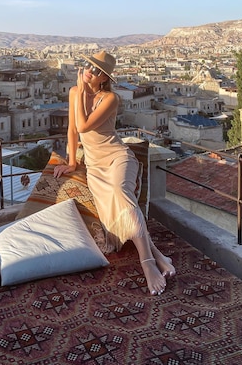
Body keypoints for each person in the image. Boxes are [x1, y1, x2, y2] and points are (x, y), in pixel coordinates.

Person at [54, 50, 175, 296]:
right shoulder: (74, 93)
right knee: (121, 203)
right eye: (89, 66)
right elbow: (72, 132)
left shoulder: (110, 98)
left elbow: (84, 125)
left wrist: (80, 90)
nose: (91, 71)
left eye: (98, 70)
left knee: (121, 192)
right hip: (96, 167)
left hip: (118, 157)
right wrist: (71, 163)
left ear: (104, 78)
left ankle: (148, 264)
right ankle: (159, 254)